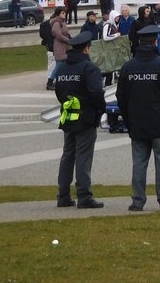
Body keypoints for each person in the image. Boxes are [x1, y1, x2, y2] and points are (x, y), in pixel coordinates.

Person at [116, 24, 160, 211]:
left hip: (137, 122)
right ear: (156, 42)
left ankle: (137, 201)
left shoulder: (128, 67)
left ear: (139, 42)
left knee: (139, 163)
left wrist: (127, 118)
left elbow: (120, 96)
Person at [54, 30, 105, 209]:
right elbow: (96, 92)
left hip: (68, 115)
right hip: (86, 117)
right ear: (86, 49)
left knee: (68, 155)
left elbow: (58, 91)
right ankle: (84, 195)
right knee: (83, 156)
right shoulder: (89, 68)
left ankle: (63, 195)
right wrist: (100, 109)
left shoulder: (63, 68)